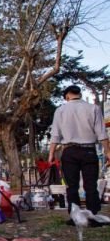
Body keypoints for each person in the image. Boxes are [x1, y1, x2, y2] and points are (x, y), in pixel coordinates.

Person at [48, 85, 110, 224]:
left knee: (72, 185)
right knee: (90, 184)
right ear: (79, 94)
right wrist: (108, 152)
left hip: (69, 151)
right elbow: (102, 134)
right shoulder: (93, 108)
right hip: (89, 150)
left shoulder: (60, 110)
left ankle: (75, 217)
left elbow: (55, 135)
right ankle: (93, 216)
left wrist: (51, 154)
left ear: (67, 96)